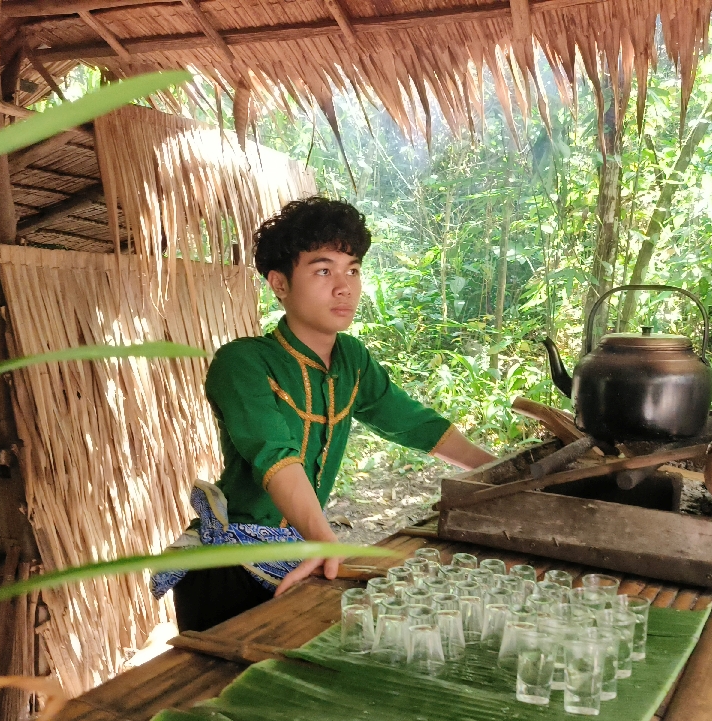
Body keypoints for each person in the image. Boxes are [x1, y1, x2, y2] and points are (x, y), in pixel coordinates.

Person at [152, 197, 495, 632]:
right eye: (323, 271)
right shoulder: (242, 362)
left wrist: (499, 473)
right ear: (279, 283)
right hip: (229, 569)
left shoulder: (352, 359)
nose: (344, 287)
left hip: (302, 555)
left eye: (353, 270)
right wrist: (323, 542)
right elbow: (274, 454)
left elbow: (414, 424)